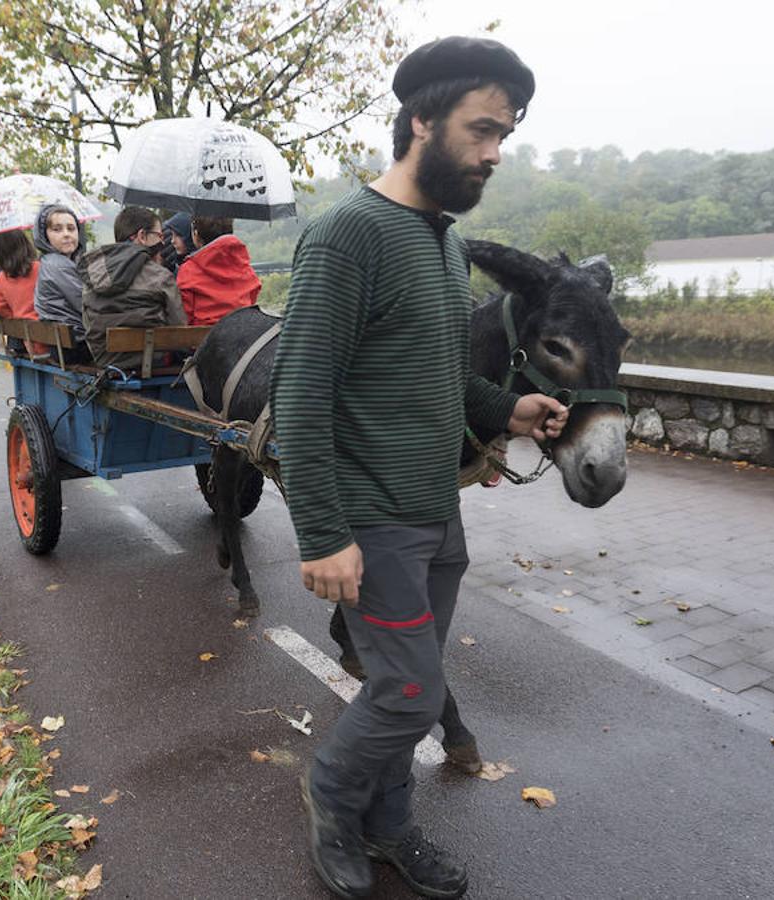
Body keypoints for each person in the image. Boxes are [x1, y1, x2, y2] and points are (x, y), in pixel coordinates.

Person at [270, 37, 568, 900]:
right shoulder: (346, 237)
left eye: (504, 135)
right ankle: (331, 795)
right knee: (407, 693)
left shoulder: (442, 244)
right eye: (481, 131)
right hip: (373, 521)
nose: (494, 154)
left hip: (436, 512)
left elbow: (439, 372)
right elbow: (301, 396)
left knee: (412, 681)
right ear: (420, 121)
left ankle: (390, 825)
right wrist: (324, 536)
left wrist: (505, 410)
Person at [77, 205, 185, 369]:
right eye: (159, 235)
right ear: (142, 235)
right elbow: (179, 331)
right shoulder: (161, 276)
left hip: (104, 362)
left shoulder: (93, 274)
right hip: (154, 364)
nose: (162, 242)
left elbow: (86, 322)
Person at [32, 203, 92, 363]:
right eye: (57, 229)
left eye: (71, 228)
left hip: (68, 342)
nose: (66, 234)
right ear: (44, 236)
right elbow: (86, 302)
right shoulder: (57, 264)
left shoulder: (58, 262)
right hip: (76, 345)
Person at [176, 217, 261, 325]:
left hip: (202, 338)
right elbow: (253, 296)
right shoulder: (243, 263)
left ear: (196, 234)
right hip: (242, 334)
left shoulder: (189, 269)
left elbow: (184, 314)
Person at [0, 229, 44, 357]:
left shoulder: (2, 277)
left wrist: (17, 314)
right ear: (25, 244)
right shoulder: (41, 268)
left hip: (29, 343)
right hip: (52, 344)